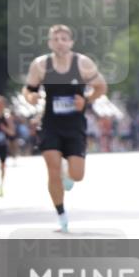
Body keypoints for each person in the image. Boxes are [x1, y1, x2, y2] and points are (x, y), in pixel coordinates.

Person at [23, 24, 107, 233]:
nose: (60, 42)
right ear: (50, 43)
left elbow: (102, 86)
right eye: (55, 39)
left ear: (71, 42)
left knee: (77, 175)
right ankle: (61, 214)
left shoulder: (83, 63)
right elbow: (28, 89)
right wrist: (31, 97)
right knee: (52, 168)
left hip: (74, 125)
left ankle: (67, 173)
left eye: (64, 39)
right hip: (50, 123)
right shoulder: (41, 65)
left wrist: (86, 100)